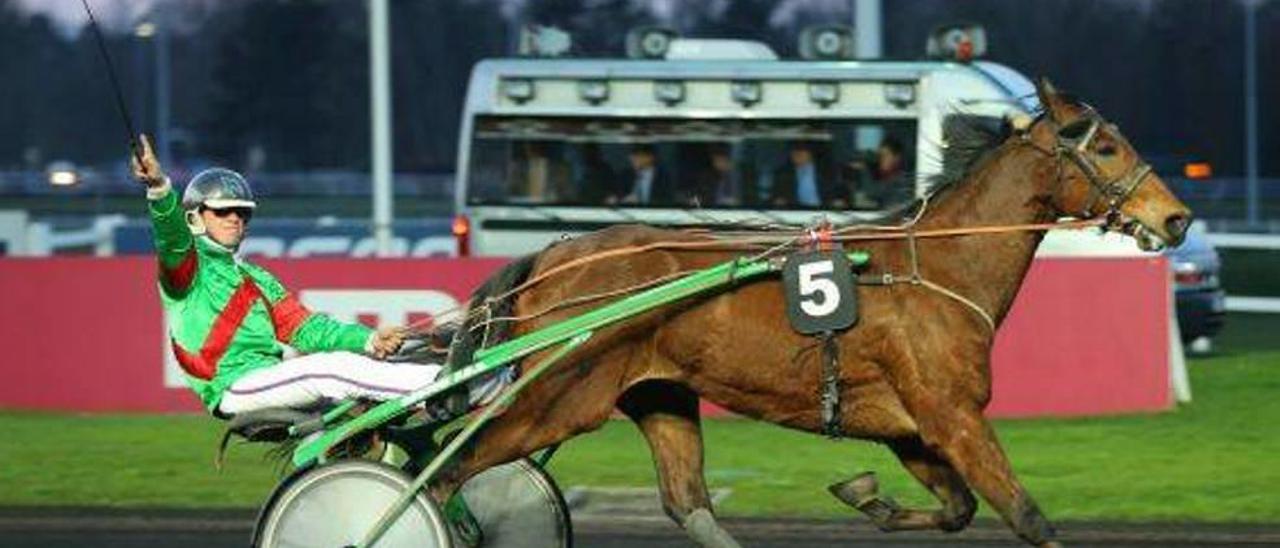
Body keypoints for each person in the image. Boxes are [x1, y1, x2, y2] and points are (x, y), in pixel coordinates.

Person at [130, 135, 453, 418]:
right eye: (222, 211)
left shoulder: (256, 277)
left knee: (344, 371)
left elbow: (306, 328)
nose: (234, 219)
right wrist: (159, 189)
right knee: (330, 369)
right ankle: (447, 384)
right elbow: (170, 237)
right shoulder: (187, 270)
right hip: (232, 387)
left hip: (270, 377)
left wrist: (368, 339)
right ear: (194, 217)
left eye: (242, 213)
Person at [769, 141, 844, 208]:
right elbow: (776, 195)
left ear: (810, 153)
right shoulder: (783, 173)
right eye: (794, 152)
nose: (797, 155)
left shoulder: (827, 170)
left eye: (801, 151)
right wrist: (779, 201)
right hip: (796, 212)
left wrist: (837, 200)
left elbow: (838, 190)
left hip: (824, 210)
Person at [846, 135, 909, 209]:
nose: (881, 159)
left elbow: (871, 192)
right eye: (880, 156)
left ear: (897, 157)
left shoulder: (901, 178)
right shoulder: (889, 175)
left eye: (885, 155)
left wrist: (864, 169)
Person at [508, 141, 574, 203]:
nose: (534, 148)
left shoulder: (559, 169)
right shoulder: (517, 167)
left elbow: (566, 195)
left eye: (536, 146)